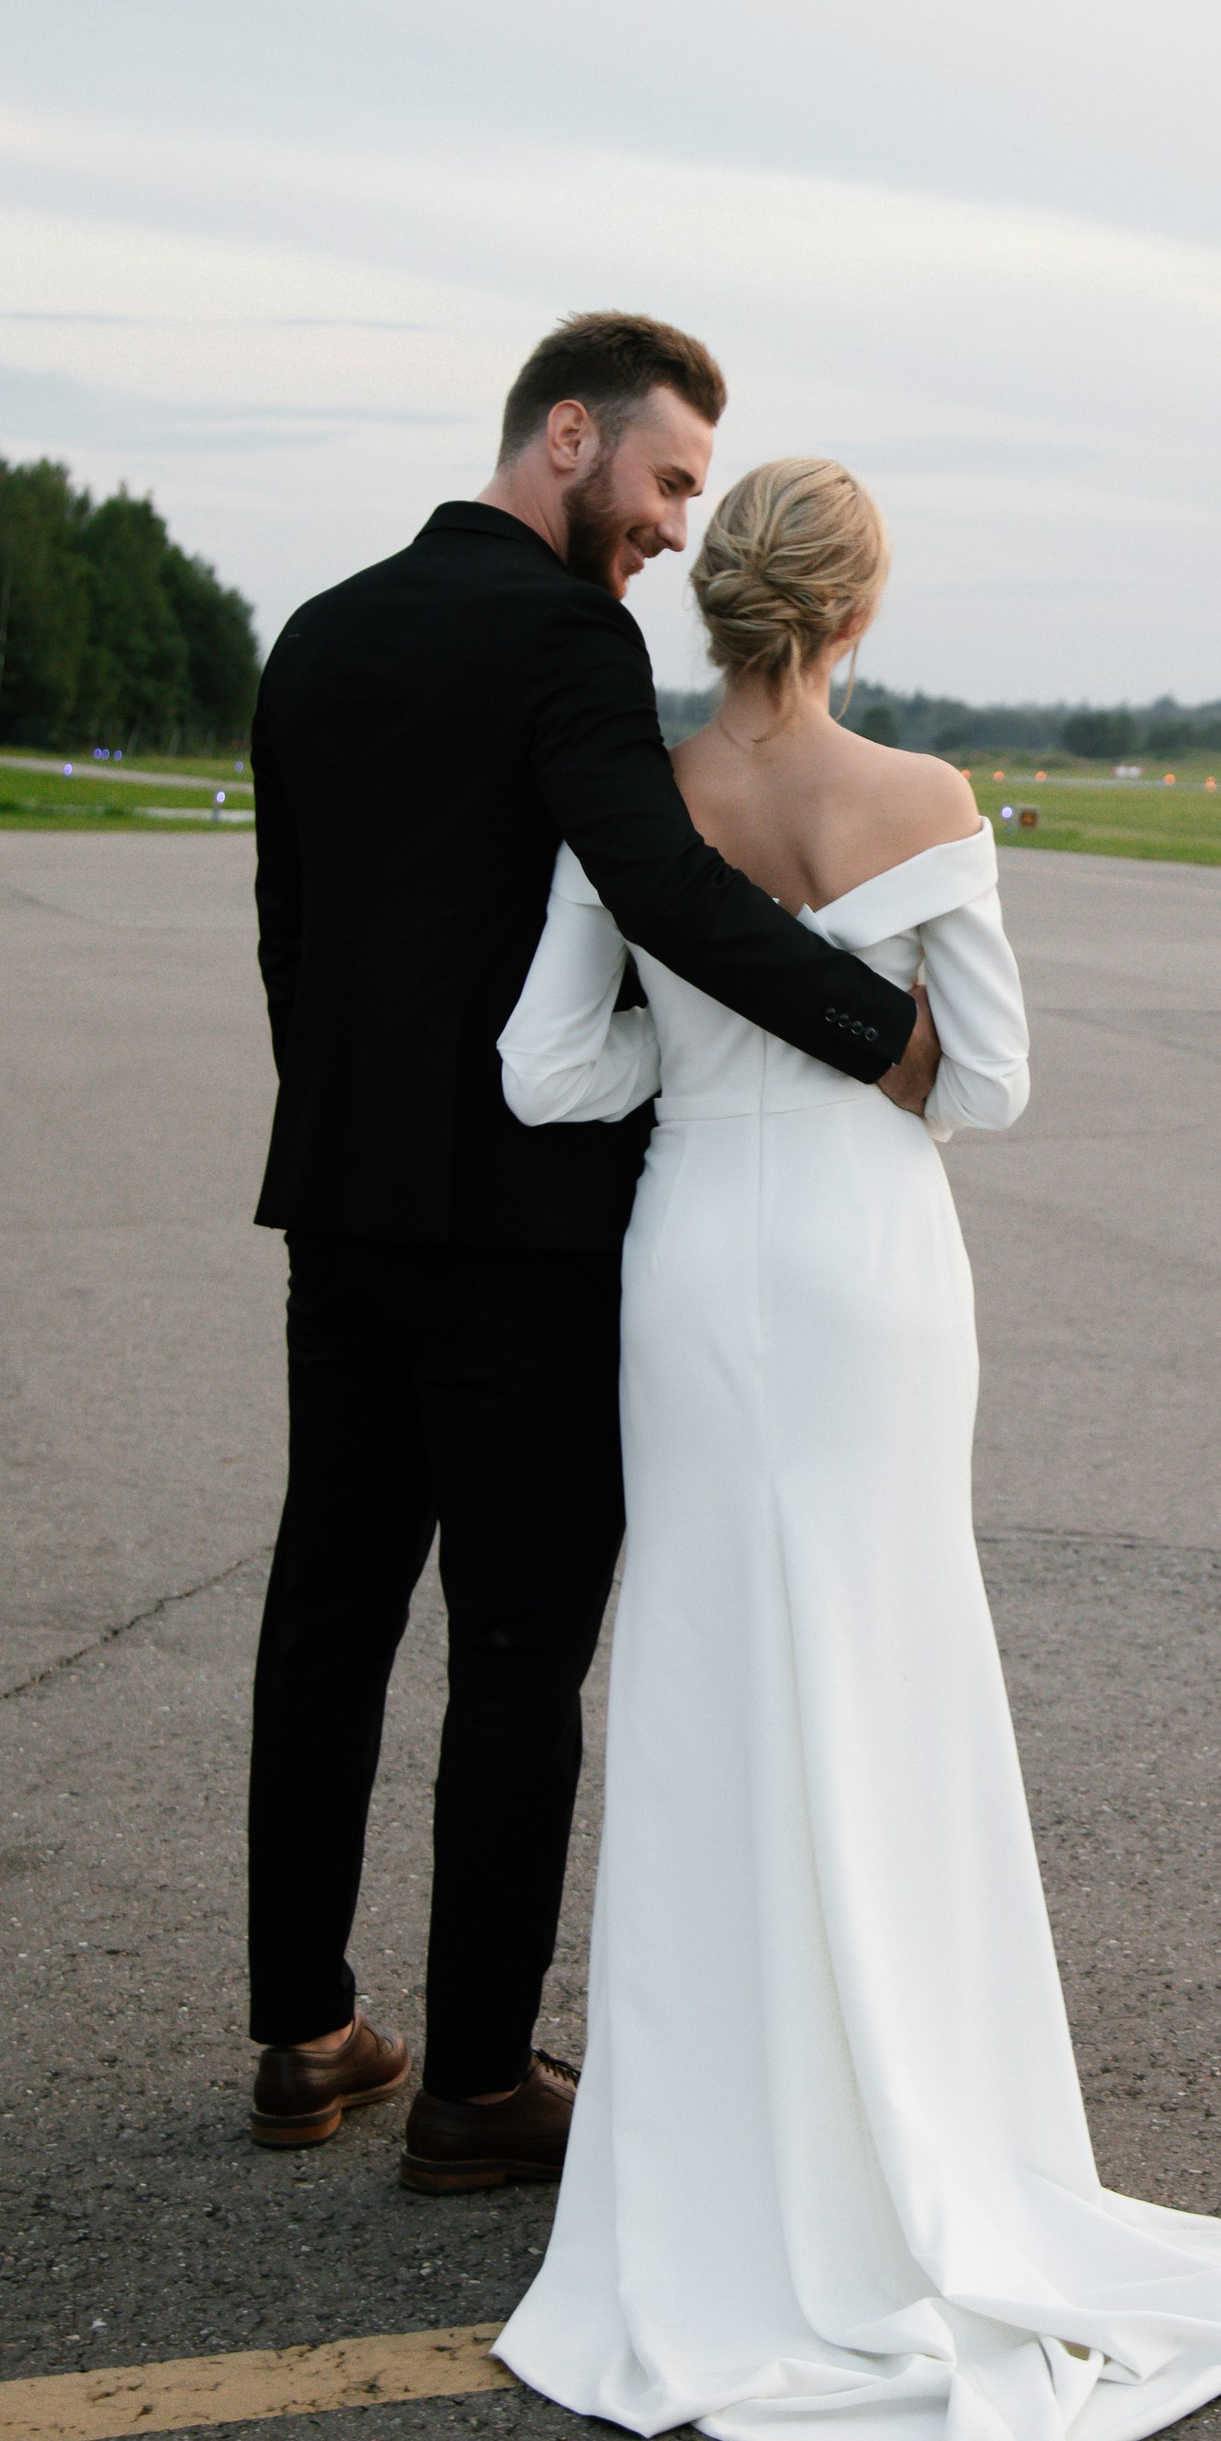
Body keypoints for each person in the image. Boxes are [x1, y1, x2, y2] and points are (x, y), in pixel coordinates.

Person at [489, 456, 1221, 2441]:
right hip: (863, 1265)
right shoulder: (927, 803)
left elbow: (544, 1067)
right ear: (852, 616)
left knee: (705, 1663)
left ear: (716, 610)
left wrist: (696, 1058)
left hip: (689, 1258)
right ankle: (921, 2128)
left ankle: (722, 2161)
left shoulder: (644, 804)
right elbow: (995, 1087)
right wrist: (866, 1049)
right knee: (889, 1652)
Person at [243, 317, 935, 2194]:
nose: (668, 528)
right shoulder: (563, 642)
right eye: (665, 480)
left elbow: (290, 941)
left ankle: (303, 2034)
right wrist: (878, 1034)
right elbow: (662, 887)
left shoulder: (314, 632)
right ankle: (474, 2081)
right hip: (524, 1243)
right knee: (518, 1653)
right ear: (570, 433)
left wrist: (353, 1139)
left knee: (328, 1610)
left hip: (343, 1213)